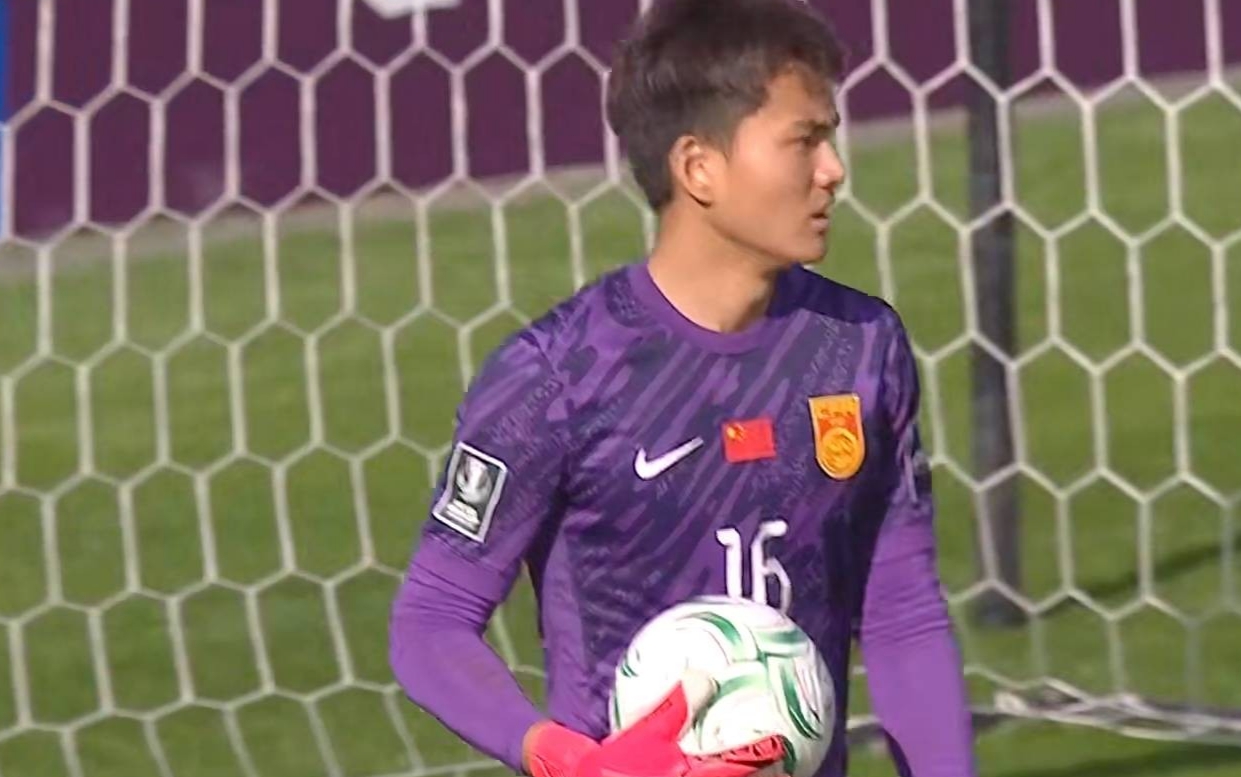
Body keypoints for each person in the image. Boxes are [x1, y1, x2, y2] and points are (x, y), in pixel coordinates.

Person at [388, 1, 976, 776]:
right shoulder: (557, 375)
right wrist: (562, 757)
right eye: (803, 140)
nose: (832, 169)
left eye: (828, 137)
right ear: (698, 167)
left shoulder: (859, 347)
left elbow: (901, 612)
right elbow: (430, 621)